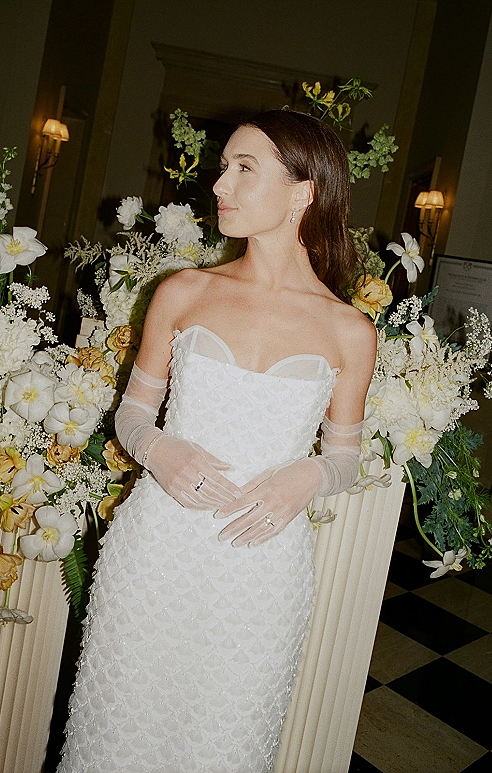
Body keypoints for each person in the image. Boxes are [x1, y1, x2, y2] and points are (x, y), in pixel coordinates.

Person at [57, 109, 377, 773]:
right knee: (115, 731)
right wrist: (159, 450)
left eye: (243, 168)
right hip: (155, 548)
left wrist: (307, 477)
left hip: (260, 565)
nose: (219, 184)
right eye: (223, 166)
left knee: (224, 742)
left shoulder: (349, 330)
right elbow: (132, 413)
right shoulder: (183, 291)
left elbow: (345, 456)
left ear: (303, 192)